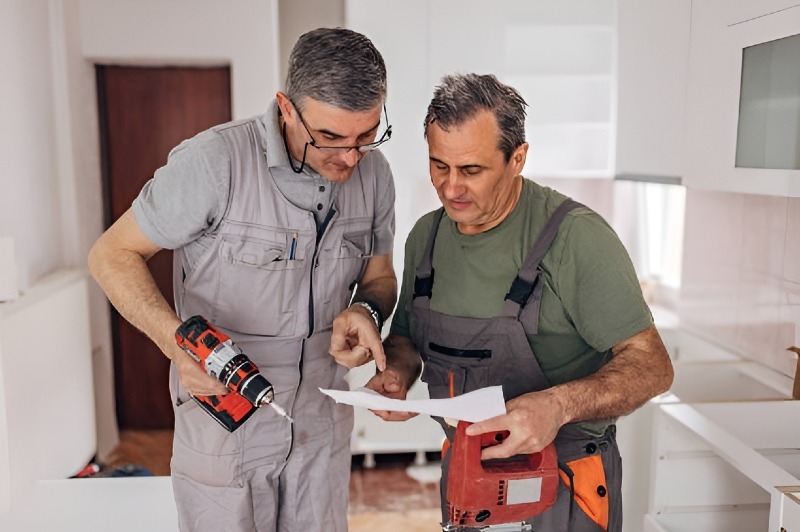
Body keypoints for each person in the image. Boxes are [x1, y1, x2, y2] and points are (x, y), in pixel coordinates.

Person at [88, 28, 397, 532]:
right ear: (286, 108)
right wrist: (175, 346)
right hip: (224, 425)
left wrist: (367, 310)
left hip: (321, 428)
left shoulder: (376, 174)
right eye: (332, 139)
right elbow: (111, 254)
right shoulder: (215, 163)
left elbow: (380, 276)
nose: (350, 158)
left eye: (367, 136)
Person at [367, 73, 674, 531]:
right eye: (439, 166)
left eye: (471, 170)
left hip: (563, 484)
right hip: (467, 482)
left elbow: (653, 367)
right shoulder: (426, 238)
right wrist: (396, 373)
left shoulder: (575, 238)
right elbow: (409, 339)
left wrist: (557, 405)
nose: (451, 189)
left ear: (518, 159)